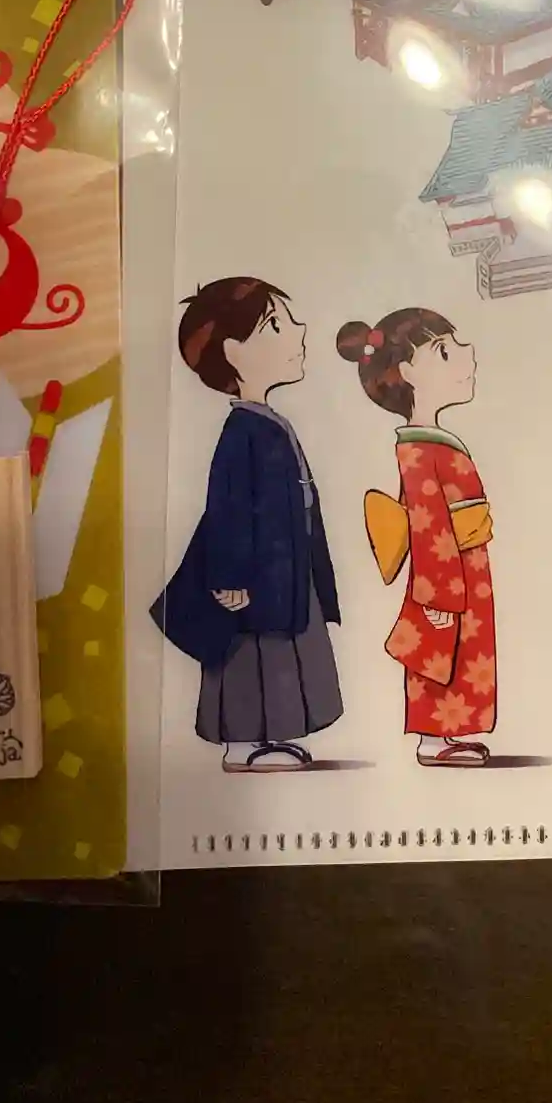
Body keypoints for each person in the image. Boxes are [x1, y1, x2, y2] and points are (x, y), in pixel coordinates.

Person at [152, 277, 342, 774]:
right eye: (277, 325)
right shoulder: (242, 430)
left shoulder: (268, 421)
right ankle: (240, 745)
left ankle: (274, 735)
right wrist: (229, 576)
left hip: (283, 568)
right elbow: (227, 506)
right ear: (233, 352)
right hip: (251, 576)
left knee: (281, 652)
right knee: (247, 656)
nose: (299, 331)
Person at [337, 308, 498, 768]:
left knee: (464, 651)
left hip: (466, 565)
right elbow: (428, 524)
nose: (466, 354)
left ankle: (452, 733)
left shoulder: (433, 442)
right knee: (439, 652)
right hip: (445, 572)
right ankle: (433, 738)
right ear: (407, 372)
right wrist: (437, 594)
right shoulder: (417, 449)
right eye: (444, 351)